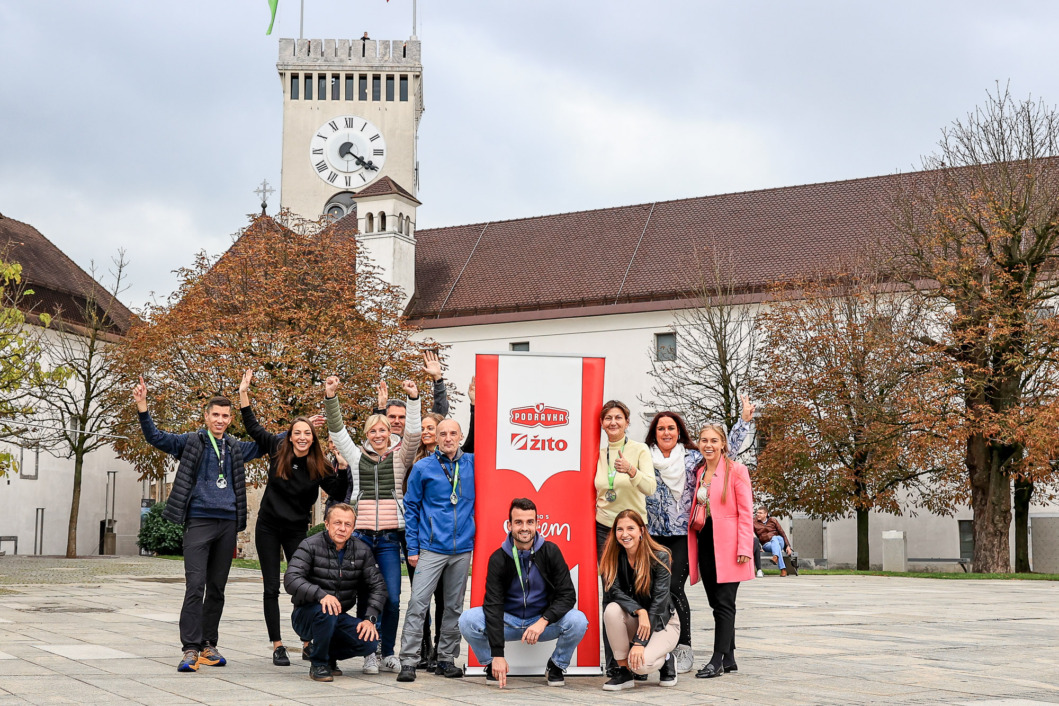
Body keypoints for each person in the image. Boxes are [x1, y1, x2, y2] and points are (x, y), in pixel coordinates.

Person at [133, 376, 264, 673]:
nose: (220, 419)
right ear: (206, 416)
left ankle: (208, 644)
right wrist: (142, 405)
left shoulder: (234, 447)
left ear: (230, 419)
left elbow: (267, 442)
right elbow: (156, 437)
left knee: (217, 588)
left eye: (225, 416)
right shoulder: (191, 442)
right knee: (195, 586)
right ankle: (190, 648)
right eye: (215, 414)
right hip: (199, 522)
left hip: (228, 522)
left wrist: (299, 430)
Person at [236, 370, 349, 666]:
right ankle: (277, 645)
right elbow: (252, 426)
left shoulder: (318, 464)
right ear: (290, 436)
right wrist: (244, 393)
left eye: (307, 433)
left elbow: (337, 490)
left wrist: (342, 466)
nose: (302, 437)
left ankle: (307, 641)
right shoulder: (277, 450)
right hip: (269, 527)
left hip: (297, 531)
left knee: (303, 584)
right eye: (297, 432)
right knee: (271, 587)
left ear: (313, 438)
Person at [642, 397, 755, 673]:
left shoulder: (696, 459)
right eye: (661, 428)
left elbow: (726, 450)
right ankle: (727, 657)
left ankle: (699, 653)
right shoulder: (650, 459)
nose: (666, 432)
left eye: (671, 427)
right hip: (672, 536)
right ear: (654, 433)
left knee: (691, 593)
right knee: (711, 601)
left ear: (679, 431)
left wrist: (744, 422)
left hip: (693, 536)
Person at [323, 375, 420, 675]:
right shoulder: (357, 457)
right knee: (365, 596)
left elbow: (414, 434)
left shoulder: (401, 456)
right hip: (361, 538)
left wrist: (414, 400)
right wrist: (331, 397)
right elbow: (338, 432)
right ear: (367, 434)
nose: (379, 435)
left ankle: (388, 651)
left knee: (391, 596)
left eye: (384, 430)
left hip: (389, 539)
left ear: (391, 432)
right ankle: (370, 652)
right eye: (373, 430)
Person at [459, 498, 589, 689]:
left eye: (530, 522)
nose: (524, 528)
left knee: (579, 621)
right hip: (507, 622)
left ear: (537, 524)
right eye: (519, 522)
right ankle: (492, 666)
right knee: (467, 620)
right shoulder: (498, 558)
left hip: (541, 623)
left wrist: (543, 621)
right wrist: (498, 655)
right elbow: (493, 606)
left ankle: (556, 665)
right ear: (509, 525)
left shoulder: (551, 551)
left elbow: (567, 595)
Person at [396, 418, 475, 682]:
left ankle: (445, 658)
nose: (448, 438)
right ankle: (408, 660)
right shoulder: (422, 467)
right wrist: (413, 547)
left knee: (453, 606)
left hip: (462, 548)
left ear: (460, 435)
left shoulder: (473, 464)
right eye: (443, 434)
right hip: (431, 548)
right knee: (418, 603)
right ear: (436, 438)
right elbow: (412, 509)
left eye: (453, 433)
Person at [283, 503, 387, 682]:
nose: (342, 528)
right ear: (326, 524)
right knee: (327, 610)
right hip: (306, 614)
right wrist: (321, 595)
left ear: (353, 528)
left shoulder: (361, 550)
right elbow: (291, 579)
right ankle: (319, 663)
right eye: (337, 523)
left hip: (337, 616)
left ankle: (327, 654)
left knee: (370, 641)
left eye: (347, 524)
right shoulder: (310, 545)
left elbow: (378, 586)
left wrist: (370, 619)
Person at [688, 423, 755, 679]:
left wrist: (744, 547)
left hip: (729, 546)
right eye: (704, 440)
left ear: (723, 443)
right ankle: (730, 657)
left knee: (724, 603)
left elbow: (746, 513)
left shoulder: (737, 471)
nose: (708, 445)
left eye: (714, 440)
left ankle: (716, 660)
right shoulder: (700, 472)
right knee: (716, 603)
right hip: (705, 541)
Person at [594, 400, 654, 676]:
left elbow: (650, 488)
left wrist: (631, 470)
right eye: (608, 418)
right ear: (602, 423)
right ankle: (614, 662)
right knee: (610, 591)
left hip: (632, 529)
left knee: (637, 587)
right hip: (605, 529)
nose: (613, 422)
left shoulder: (639, 450)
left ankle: (642, 649)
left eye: (618, 418)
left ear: (627, 422)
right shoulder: (598, 451)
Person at [599, 509, 680, 691]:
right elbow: (615, 593)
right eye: (620, 529)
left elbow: (659, 603)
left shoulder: (660, 556)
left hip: (662, 623)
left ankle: (667, 658)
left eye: (630, 528)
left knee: (640, 666)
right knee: (611, 610)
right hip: (637, 619)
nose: (625, 534)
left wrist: (638, 644)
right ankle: (624, 672)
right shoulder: (612, 557)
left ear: (641, 531)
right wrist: (639, 611)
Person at [754, 505, 796, 576]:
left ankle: (776, 558)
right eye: (757, 513)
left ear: (766, 514)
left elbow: (782, 533)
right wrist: (759, 547)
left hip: (780, 541)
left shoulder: (773, 520)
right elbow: (754, 536)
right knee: (777, 546)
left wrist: (788, 546)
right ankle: (782, 567)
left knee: (775, 538)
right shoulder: (754, 522)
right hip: (767, 544)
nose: (758, 514)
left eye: (760, 513)